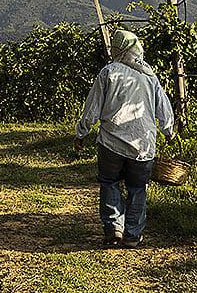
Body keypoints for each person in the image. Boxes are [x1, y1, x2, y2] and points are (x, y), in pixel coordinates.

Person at [74, 29, 176, 248]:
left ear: (116, 50)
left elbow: (92, 108)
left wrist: (81, 133)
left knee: (109, 182)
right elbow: (164, 109)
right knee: (137, 188)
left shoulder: (108, 72)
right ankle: (132, 234)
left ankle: (114, 230)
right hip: (143, 144)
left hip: (111, 142)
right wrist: (169, 132)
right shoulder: (150, 76)